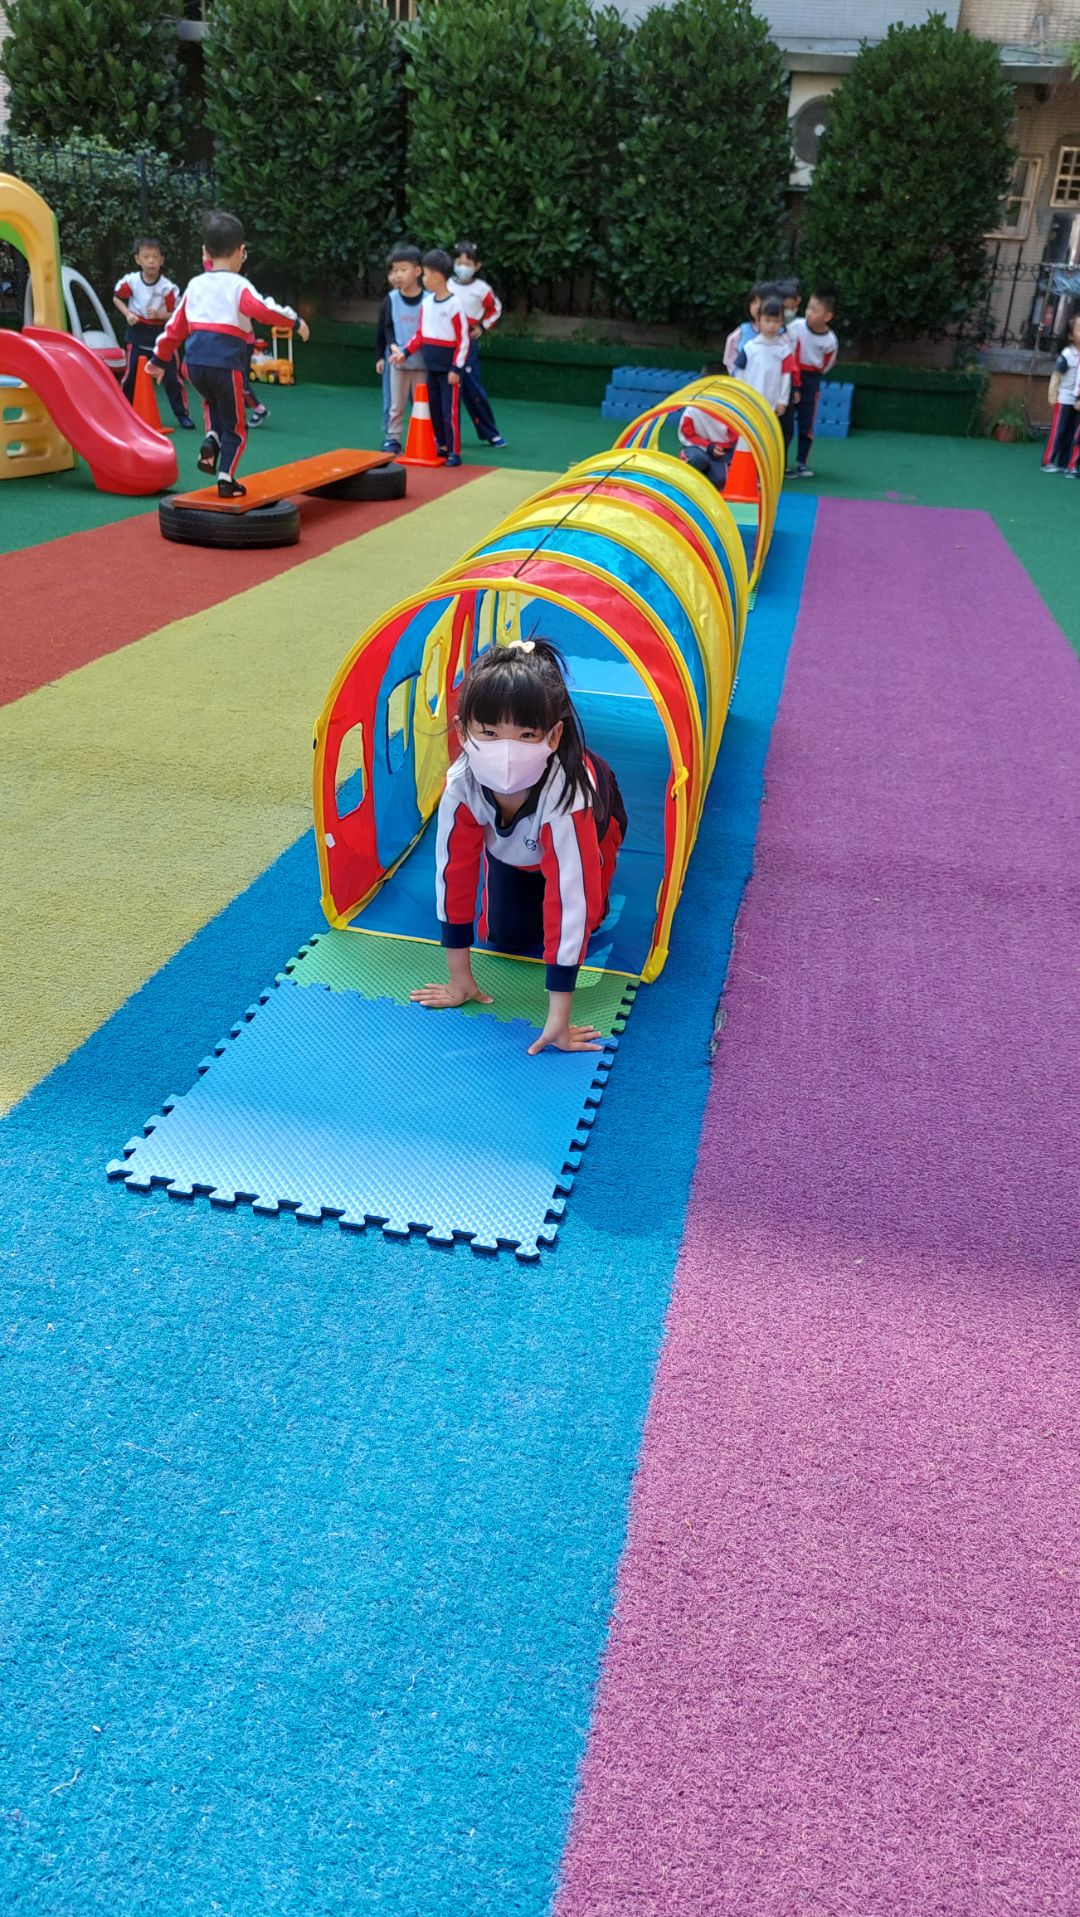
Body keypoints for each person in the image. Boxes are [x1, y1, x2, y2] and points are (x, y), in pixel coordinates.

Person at [410, 639, 627, 1056]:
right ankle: (528, 875)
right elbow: (453, 875)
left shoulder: (569, 798)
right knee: (506, 937)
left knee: (585, 913)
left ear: (553, 735)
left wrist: (559, 1019)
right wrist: (459, 979)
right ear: (463, 731)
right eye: (489, 734)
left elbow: (571, 899)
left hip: (596, 824)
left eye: (526, 735)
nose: (506, 752)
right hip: (518, 849)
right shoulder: (462, 785)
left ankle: (595, 870)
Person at [148, 210, 308, 498]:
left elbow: (174, 327)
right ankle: (226, 479)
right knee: (236, 425)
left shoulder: (195, 285)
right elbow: (263, 310)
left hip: (194, 366)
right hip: (225, 364)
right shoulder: (238, 285)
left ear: (205, 252)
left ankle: (211, 438)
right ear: (241, 251)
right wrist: (295, 322)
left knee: (212, 403)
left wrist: (159, 359)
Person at [390, 248, 469, 466]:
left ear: (436, 277)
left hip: (448, 370)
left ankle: (454, 451)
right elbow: (420, 334)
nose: (423, 279)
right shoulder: (427, 304)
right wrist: (405, 353)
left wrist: (456, 368)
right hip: (430, 367)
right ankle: (441, 446)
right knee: (434, 409)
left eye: (424, 274)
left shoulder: (454, 305)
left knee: (449, 411)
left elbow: (463, 340)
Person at [113, 237, 194, 428]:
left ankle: (182, 415)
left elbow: (176, 314)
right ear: (137, 259)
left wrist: (160, 315)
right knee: (130, 376)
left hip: (162, 337)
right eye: (146, 257)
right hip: (137, 333)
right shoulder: (131, 281)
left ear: (161, 260)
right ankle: (124, 412)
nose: (151, 261)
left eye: (155, 257)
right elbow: (117, 298)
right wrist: (128, 314)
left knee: (172, 378)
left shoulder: (168, 288)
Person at [451, 240, 507, 448]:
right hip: (446, 342)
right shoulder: (446, 285)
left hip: (467, 343)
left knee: (472, 388)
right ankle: (447, 434)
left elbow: (496, 309)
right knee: (446, 390)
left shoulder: (481, 289)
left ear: (477, 266)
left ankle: (490, 432)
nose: (462, 267)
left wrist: (482, 327)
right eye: (459, 263)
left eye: (467, 264)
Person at [375, 244, 426, 455]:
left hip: (422, 361)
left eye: (403, 270)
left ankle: (425, 438)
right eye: (394, 270)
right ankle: (393, 438)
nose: (397, 275)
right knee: (395, 403)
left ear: (418, 271)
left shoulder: (429, 300)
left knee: (423, 403)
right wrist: (388, 351)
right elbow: (386, 327)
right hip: (397, 360)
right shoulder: (391, 299)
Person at [786, 286, 839, 478]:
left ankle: (802, 462)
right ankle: (782, 463)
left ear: (827, 316)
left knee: (806, 422)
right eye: (808, 307)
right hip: (791, 377)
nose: (809, 312)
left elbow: (827, 363)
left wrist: (812, 376)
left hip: (811, 380)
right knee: (786, 422)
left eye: (815, 310)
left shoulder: (830, 340)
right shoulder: (796, 326)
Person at [734, 295, 796, 421]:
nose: (772, 325)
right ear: (758, 321)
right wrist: (740, 396)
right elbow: (739, 373)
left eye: (776, 321)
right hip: (749, 402)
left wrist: (783, 401)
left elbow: (786, 377)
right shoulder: (749, 348)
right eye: (767, 320)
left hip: (772, 405)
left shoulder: (784, 351)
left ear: (782, 322)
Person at [678, 363, 737, 491]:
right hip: (697, 447)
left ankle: (706, 477)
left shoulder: (730, 407)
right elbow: (686, 434)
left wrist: (722, 448)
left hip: (720, 451)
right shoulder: (694, 407)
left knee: (721, 480)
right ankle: (686, 468)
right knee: (697, 459)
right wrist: (708, 446)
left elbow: (734, 435)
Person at [1043, 313, 1080, 474]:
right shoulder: (1067, 354)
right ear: (1071, 335)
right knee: (1058, 431)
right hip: (1063, 399)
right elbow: (1056, 376)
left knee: (1072, 433)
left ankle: (1064, 462)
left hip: (1077, 401)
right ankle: (1048, 461)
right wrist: (1053, 395)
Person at [723, 280, 779, 374]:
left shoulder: (781, 332)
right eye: (753, 302)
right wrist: (735, 373)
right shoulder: (743, 331)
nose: (757, 307)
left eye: (761, 302)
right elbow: (730, 359)